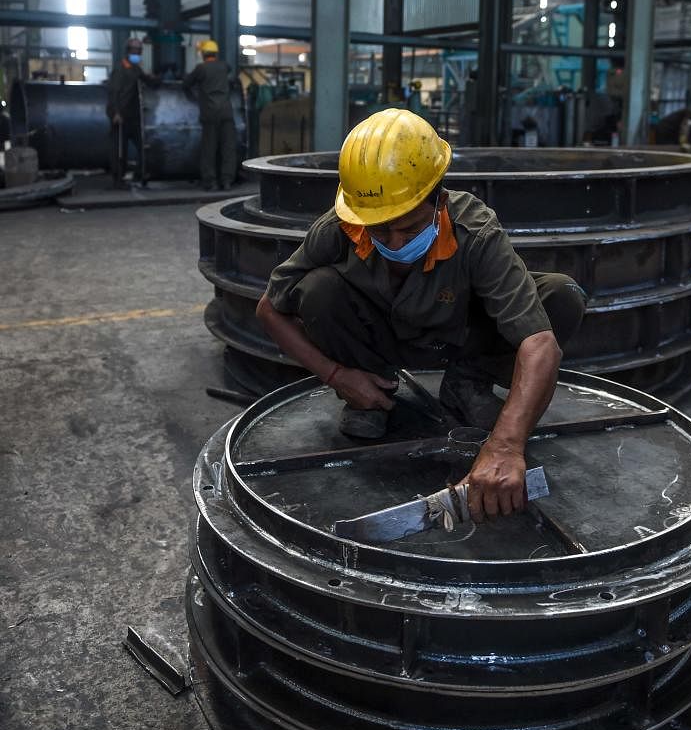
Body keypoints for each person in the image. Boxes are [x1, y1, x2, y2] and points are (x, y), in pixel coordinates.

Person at [256, 109, 586, 523]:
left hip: (457, 336)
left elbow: (540, 344)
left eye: (409, 228)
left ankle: (468, 383)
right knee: (318, 289)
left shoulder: (475, 231)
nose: (393, 240)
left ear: (439, 202)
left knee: (561, 295)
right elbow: (269, 308)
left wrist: (505, 445)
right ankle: (371, 401)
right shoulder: (344, 225)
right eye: (381, 230)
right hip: (377, 341)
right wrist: (337, 375)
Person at [183, 40, 238, 190]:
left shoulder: (201, 69)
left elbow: (186, 83)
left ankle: (211, 181)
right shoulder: (224, 66)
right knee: (228, 148)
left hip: (210, 113)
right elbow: (229, 71)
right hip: (226, 112)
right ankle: (227, 181)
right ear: (215, 53)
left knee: (209, 149)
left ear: (202, 54)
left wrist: (192, 95)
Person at [105, 36, 158, 187]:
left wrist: (155, 78)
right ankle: (118, 179)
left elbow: (146, 80)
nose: (138, 53)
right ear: (128, 51)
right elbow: (113, 92)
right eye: (135, 50)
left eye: (140, 51)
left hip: (133, 116)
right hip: (120, 115)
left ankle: (141, 173)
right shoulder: (120, 69)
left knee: (143, 145)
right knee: (119, 149)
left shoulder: (135, 68)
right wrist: (115, 112)